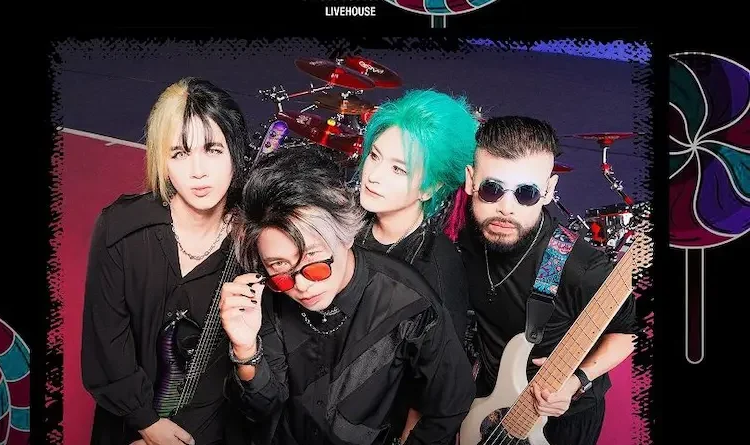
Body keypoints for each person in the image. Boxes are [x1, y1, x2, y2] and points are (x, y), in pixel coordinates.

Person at [219, 145, 475, 445]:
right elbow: (262, 407)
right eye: (281, 268)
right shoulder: (266, 296)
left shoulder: (409, 302)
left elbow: (451, 403)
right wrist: (245, 350)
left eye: (314, 263)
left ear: (345, 232)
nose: (301, 285)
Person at [81, 77, 252, 445]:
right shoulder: (121, 227)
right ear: (163, 160)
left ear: (235, 151)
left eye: (213, 149)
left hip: (209, 432)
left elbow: (243, 370)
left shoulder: (252, 245)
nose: (198, 171)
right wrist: (146, 423)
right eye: (179, 153)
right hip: (128, 428)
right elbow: (106, 340)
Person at [454, 116, 638, 445]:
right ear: (471, 181)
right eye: (492, 189)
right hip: (491, 406)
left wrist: (578, 380)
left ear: (549, 191)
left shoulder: (580, 268)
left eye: (526, 193)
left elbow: (628, 334)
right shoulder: (468, 238)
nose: (506, 209)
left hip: (560, 418)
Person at [354, 89, 477, 442]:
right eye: (374, 156)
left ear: (429, 188)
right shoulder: (346, 226)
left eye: (398, 169)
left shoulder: (436, 266)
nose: (373, 176)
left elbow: (442, 393)